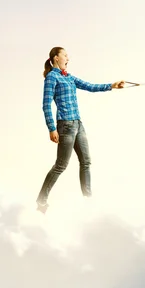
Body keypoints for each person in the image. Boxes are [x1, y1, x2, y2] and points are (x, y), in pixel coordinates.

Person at [36, 46, 127, 214]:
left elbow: (90, 86)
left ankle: (88, 199)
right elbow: (45, 104)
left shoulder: (69, 77)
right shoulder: (51, 78)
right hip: (65, 126)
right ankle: (41, 200)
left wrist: (112, 85)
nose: (68, 58)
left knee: (86, 161)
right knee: (61, 165)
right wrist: (52, 128)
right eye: (65, 55)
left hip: (78, 124)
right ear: (56, 58)